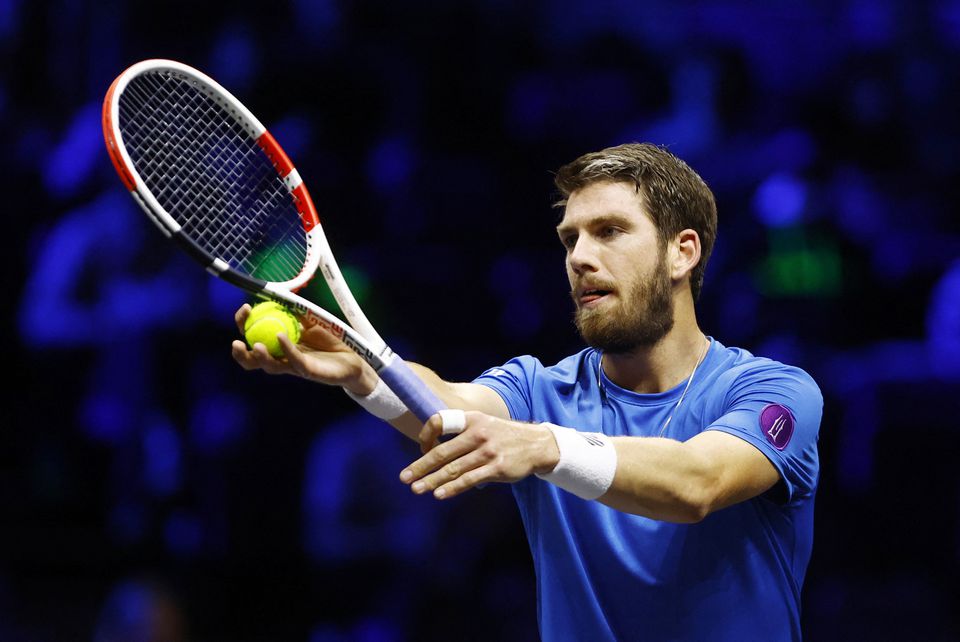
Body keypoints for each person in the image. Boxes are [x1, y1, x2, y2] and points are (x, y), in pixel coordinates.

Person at [231, 143, 822, 641]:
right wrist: (363, 374)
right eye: (570, 240)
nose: (581, 257)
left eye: (610, 232)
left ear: (681, 251)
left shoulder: (774, 391)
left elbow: (700, 482)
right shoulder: (539, 389)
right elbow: (447, 408)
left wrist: (547, 448)